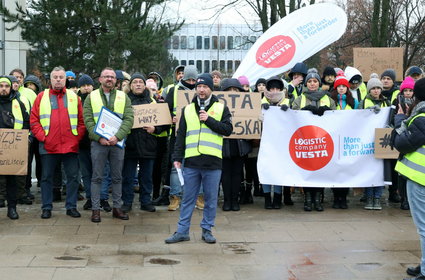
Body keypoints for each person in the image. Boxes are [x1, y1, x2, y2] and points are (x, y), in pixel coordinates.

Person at [165, 74, 232, 244]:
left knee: (210, 199)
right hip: (192, 161)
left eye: (205, 87)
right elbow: (181, 136)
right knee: (188, 198)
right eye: (199, 87)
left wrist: (208, 119)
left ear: (211, 88)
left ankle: (207, 230)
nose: (201, 90)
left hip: (213, 162)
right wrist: (177, 157)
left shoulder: (221, 107)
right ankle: (182, 231)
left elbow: (227, 129)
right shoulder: (187, 109)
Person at [30, 66, 85, 219]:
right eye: (55, 77)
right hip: (48, 146)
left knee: (73, 178)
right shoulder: (41, 96)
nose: (58, 80)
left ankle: (71, 206)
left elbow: (82, 121)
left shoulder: (75, 97)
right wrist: (43, 138)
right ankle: (46, 207)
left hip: (70, 146)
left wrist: (76, 138)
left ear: (66, 79)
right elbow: (34, 120)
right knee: (46, 178)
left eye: (61, 77)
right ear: (51, 79)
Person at [83, 67, 134, 223]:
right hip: (99, 143)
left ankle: (117, 208)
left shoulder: (123, 97)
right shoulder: (90, 97)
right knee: (97, 177)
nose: (109, 79)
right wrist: (99, 138)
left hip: (117, 143)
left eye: (112, 77)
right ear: (100, 79)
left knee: (117, 177)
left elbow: (129, 118)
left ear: (115, 80)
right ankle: (96, 210)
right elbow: (88, 120)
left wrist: (117, 137)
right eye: (106, 76)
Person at [392, 78, 425, 280]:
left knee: (423, 227)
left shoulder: (420, 118)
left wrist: (399, 119)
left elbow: (401, 143)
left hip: (420, 179)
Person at [121, 73, 168, 213]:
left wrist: (155, 129)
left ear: (144, 85)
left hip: (149, 145)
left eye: (140, 82)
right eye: (135, 82)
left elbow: (164, 123)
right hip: (130, 145)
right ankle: (127, 202)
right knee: (128, 177)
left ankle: (145, 201)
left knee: (146, 177)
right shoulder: (124, 101)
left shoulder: (153, 102)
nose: (138, 84)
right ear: (130, 85)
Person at [292, 68, 336, 211]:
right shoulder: (300, 99)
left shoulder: (328, 99)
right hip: (306, 142)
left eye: (315, 81)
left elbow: (337, 117)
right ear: (306, 84)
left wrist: (328, 112)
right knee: (307, 170)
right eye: (309, 81)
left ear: (319, 83)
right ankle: (308, 198)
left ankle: (318, 198)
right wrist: (304, 112)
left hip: (322, 141)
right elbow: (293, 116)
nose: (312, 84)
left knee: (321, 170)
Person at [165, 65, 203, 211]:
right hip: (178, 135)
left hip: (197, 135)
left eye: (194, 79)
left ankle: (199, 196)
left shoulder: (202, 90)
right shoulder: (174, 91)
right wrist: (171, 119)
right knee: (176, 167)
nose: (192, 82)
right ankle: (175, 197)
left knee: (198, 167)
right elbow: (165, 110)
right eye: (189, 79)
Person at [0, 76, 30, 219]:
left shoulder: (18, 103)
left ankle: (12, 208)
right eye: (1, 86)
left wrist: (25, 138)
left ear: (11, 87)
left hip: (13, 149)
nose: (4, 88)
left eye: (6, 86)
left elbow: (26, 122)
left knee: (12, 181)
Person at [220, 78, 252, 211]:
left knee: (237, 174)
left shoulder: (248, 104)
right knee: (225, 175)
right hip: (224, 144)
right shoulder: (218, 106)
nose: (232, 92)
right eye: (229, 90)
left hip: (240, 145)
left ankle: (235, 200)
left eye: (235, 90)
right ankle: (227, 201)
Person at [359, 76, 390, 210]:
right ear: (369, 90)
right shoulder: (363, 102)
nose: (376, 91)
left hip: (381, 140)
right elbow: (357, 118)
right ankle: (369, 196)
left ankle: (377, 197)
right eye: (373, 88)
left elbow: (391, 118)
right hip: (367, 140)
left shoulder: (386, 103)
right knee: (368, 169)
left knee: (380, 170)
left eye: (378, 88)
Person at [260, 76, 290, 209]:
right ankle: (267, 198)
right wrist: (262, 112)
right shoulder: (260, 102)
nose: (274, 91)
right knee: (266, 169)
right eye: (271, 88)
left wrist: (288, 112)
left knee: (278, 169)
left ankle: (278, 198)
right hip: (265, 142)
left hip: (281, 144)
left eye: (277, 88)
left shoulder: (288, 102)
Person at [329, 74, 358, 209]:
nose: (341, 89)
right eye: (339, 86)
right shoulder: (330, 101)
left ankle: (344, 198)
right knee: (334, 170)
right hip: (334, 139)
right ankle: (336, 197)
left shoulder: (354, 103)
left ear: (347, 88)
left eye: (344, 86)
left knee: (345, 170)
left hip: (347, 139)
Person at [392, 76, 416, 210]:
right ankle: (404, 199)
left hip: (412, 140)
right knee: (401, 172)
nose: (407, 93)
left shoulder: (417, 105)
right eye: (405, 90)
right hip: (401, 139)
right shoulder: (397, 104)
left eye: (410, 90)